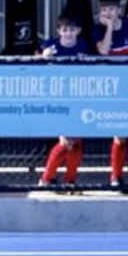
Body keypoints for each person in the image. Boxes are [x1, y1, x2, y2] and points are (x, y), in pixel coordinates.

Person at [37, 17, 91, 189]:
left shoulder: (82, 46)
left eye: (72, 30)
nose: (68, 34)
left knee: (77, 142)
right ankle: (46, 179)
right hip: (57, 97)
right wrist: (43, 56)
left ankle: (70, 181)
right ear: (59, 31)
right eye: (65, 30)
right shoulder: (51, 45)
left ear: (78, 31)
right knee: (65, 140)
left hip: (77, 97)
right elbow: (35, 59)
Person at [92, 0, 127, 191]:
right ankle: (116, 176)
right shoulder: (98, 29)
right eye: (104, 10)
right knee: (120, 134)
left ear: (119, 10)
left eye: (111, 9)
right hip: (115, 89)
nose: (108, 13)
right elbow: (104, 51)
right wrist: (109, 29)